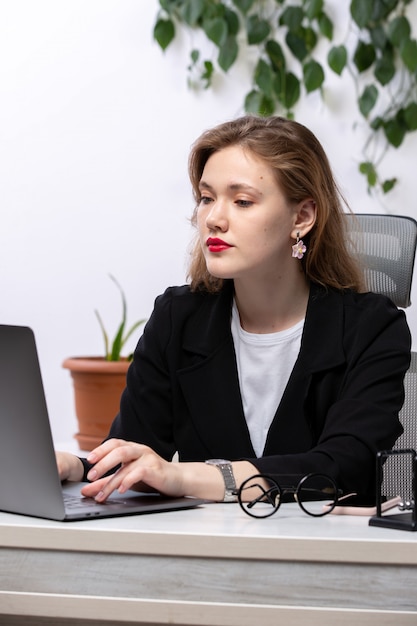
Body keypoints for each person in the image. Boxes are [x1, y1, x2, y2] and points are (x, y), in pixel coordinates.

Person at [57, 115, 411, 504]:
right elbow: (137, 454)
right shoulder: (178, 318)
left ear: (302, 217)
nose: (213, 219)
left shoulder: (372, 327)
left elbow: (341, 465)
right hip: (209, 555)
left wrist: (184, 476)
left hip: (328, 555)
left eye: (242, 201)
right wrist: (74, 466)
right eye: (207, 198)